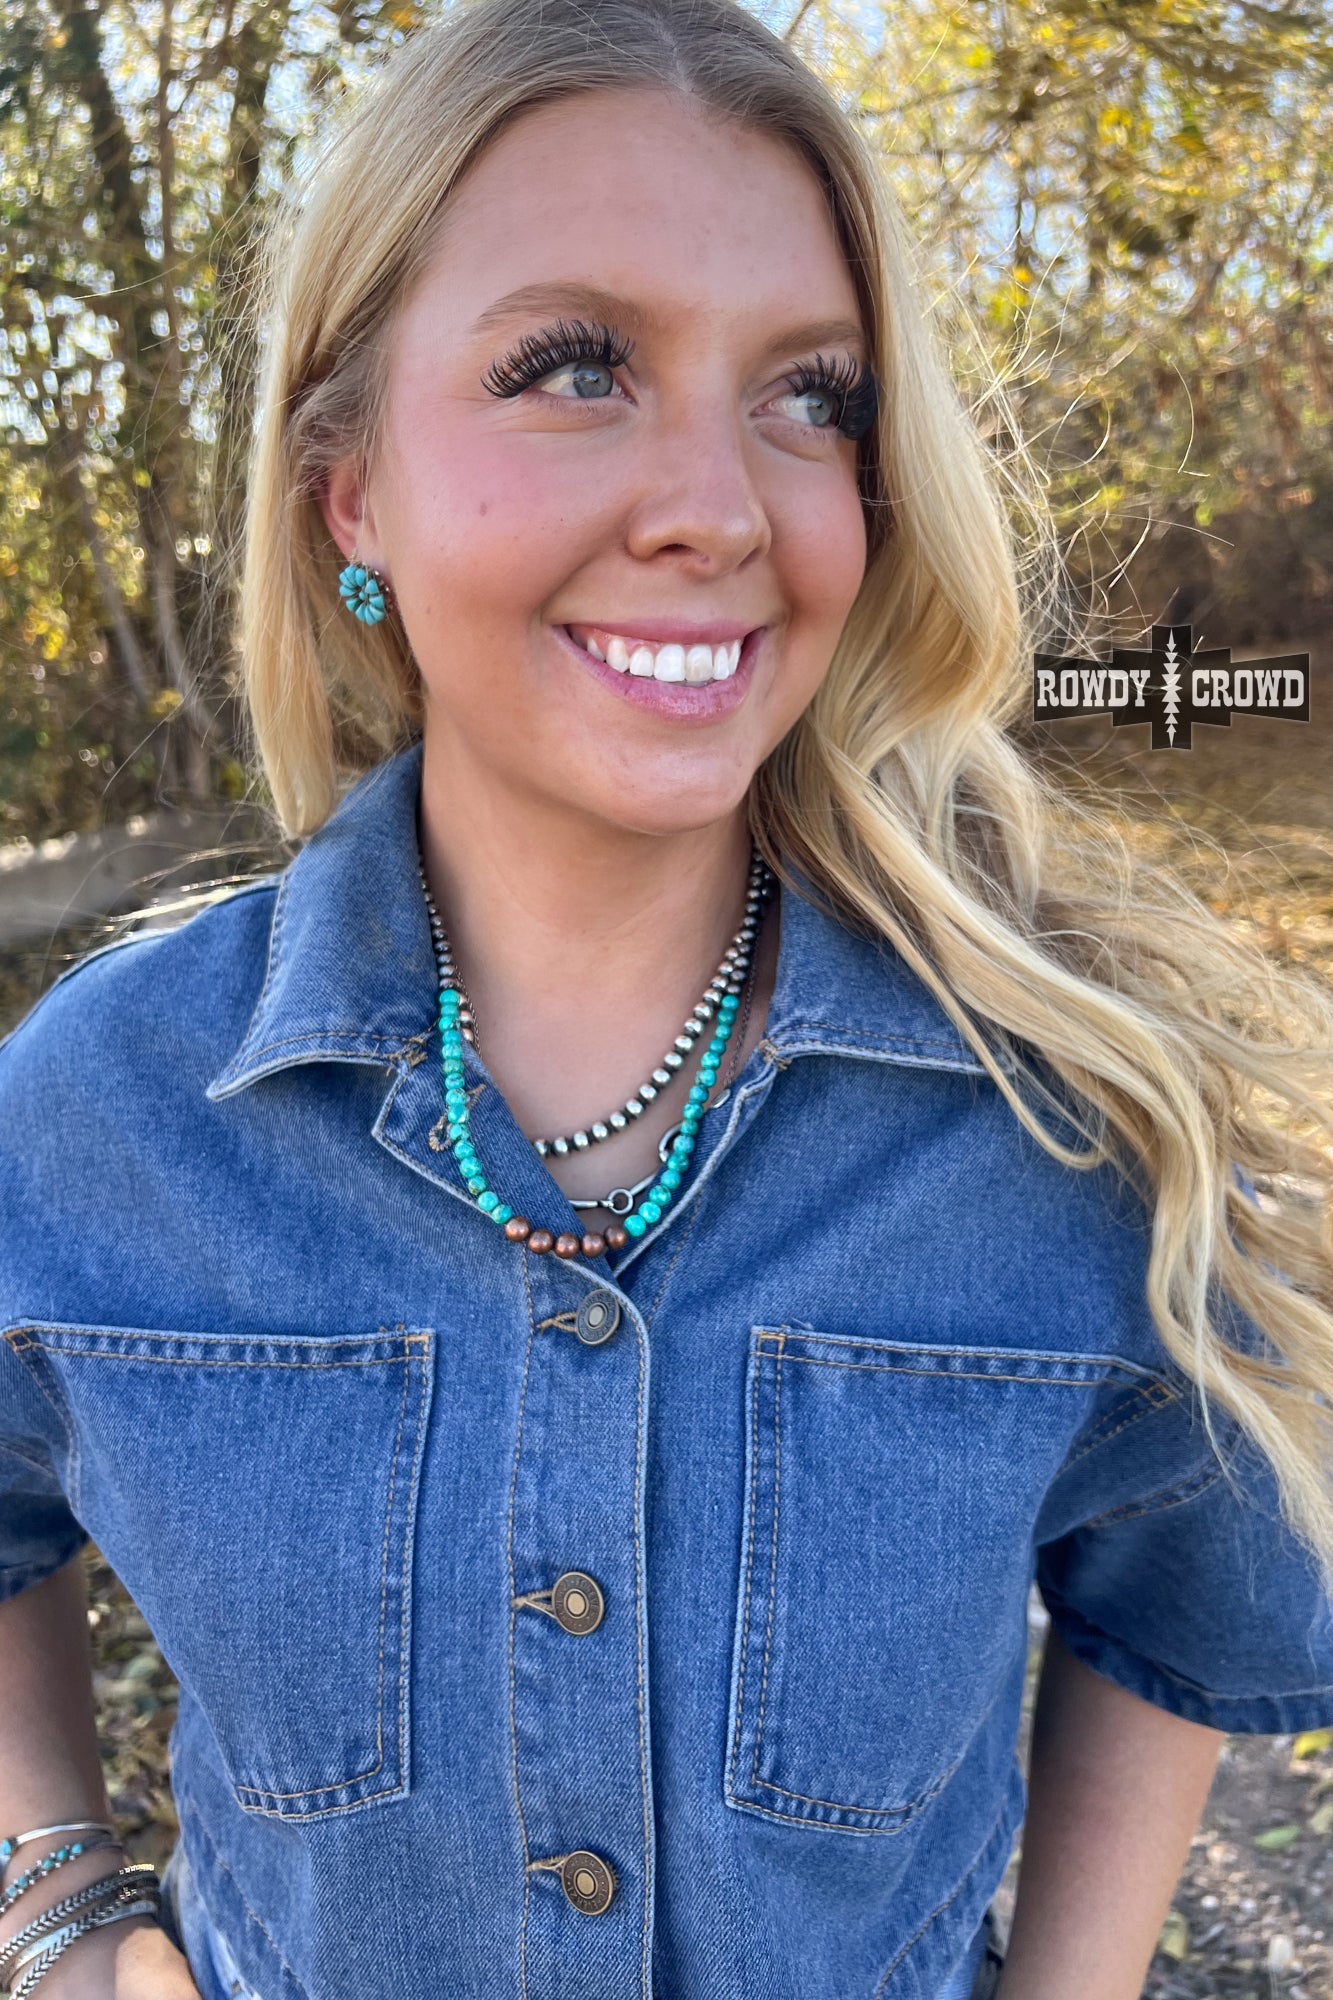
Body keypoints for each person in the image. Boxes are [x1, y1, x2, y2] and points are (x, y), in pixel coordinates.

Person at [2, 0, 1332, 1995]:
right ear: (348, 492)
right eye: (576, 367)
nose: (721, 503)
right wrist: (55, 1906)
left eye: (811, 395)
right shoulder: (100, 1107)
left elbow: (1180, 1608)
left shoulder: (1060, 1118)